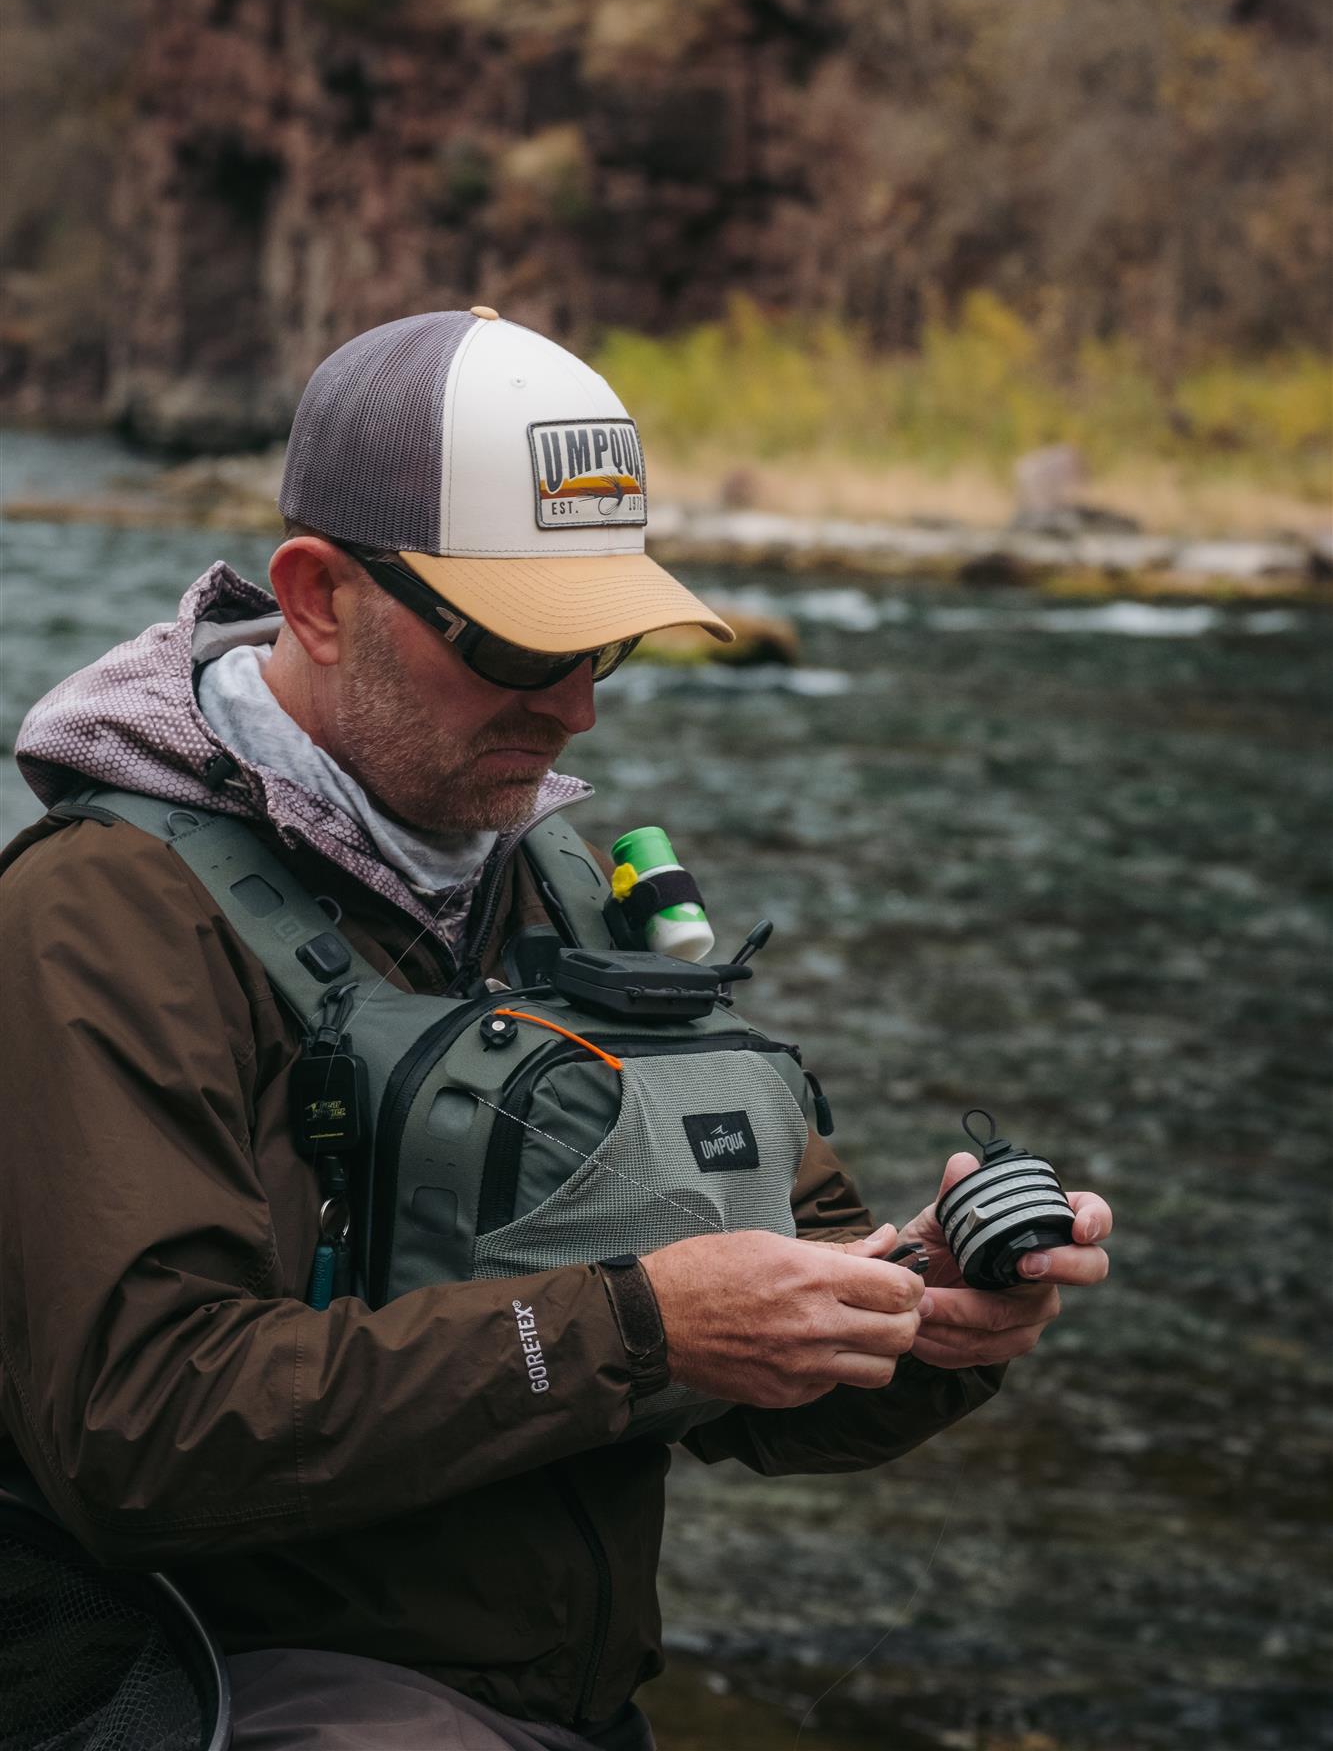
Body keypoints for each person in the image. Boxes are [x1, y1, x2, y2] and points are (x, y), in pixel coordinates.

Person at [0, 308, 1112, 1751]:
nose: (577, 710)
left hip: (570, 1705)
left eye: (606, 647)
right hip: (229, 1684)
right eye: (524, 648)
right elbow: (141, 1431)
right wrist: (639, 1329)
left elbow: (760, 1358)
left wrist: (929, 1319)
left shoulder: (563, 877)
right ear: (319, 595)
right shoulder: (100, 914)